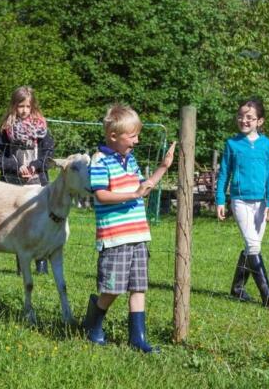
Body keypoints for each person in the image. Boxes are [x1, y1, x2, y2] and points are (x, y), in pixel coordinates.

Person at [83, 104, 176, 353]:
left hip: (138, 234)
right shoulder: (99, 161)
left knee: (138, 287)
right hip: (115, 237)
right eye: (132, 135)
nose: (137, 140)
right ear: (114, 136)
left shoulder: (130, 160)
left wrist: (163, 167)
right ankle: (93, 325)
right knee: (112, 289)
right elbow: (101, 195)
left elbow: (143, 187)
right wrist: (132, 193)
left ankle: (138, 339)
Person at [216, 98, 269, 308]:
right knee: (253, 245)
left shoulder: (268, 145)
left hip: (261, 203)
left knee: (252, 246)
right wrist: (220, 200)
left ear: (259, 121)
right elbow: (224, 173)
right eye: (241, 116)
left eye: (250, 117)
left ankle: (237, 288)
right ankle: (267, 295)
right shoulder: (232, 144)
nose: (244, 120)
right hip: (240, 201)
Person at [0, 86, 54, 275]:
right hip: (13, 183)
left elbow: (48, 154)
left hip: (37, 181)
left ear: (33, 106)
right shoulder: (5, 130)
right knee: (18, 223)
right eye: (20, 106)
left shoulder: (42, 129)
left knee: (40, 221)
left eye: (28, 106)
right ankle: (22, 264)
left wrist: (35, 165)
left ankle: (41, 263)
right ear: (13, 106)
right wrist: (16, 167)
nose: (24, 110)